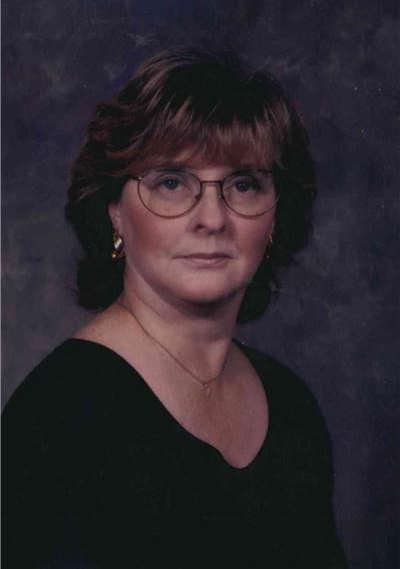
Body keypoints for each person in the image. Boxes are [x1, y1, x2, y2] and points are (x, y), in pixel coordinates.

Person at [2, 48, 348, 568]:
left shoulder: (291, 407)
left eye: (243, 184)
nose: (212, 218)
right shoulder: (57, 416)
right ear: (114, 211)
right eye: (171, 182)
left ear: (275, 217)